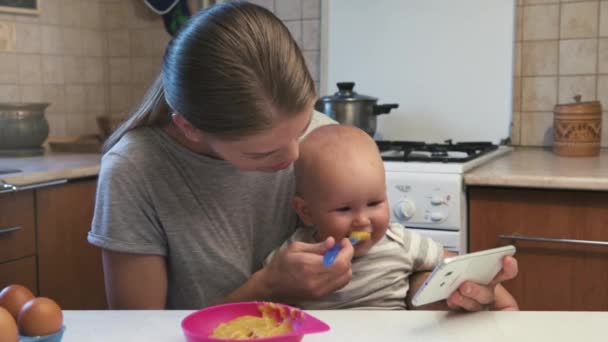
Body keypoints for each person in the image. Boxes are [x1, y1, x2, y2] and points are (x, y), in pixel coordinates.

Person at [88, 1, 517, 311]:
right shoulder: (135, 170)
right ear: (190, 127)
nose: (295, 155)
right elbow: (139, 331)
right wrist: (268, 287)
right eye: (264, 152)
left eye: (301, 129)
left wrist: (442, 290)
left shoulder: (321, 138)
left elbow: (384, 259)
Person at [266, 124, 518, 311]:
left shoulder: (399, 241)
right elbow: (265, 300)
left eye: (374, 203)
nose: (363, 221)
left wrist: (505, 306)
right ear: (306, 212)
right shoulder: (298, 256)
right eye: (344, 209)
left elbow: (455, 266)